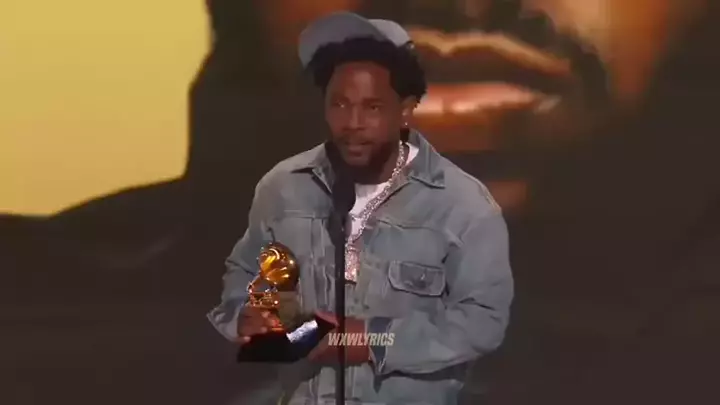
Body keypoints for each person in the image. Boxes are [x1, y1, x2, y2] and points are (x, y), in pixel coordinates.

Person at [207, 12, 514, 405]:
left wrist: (372, 339)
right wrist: (246, 315)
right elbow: (245, 277)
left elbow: (483, 323)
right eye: (339, 104)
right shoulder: (282, 188)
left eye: (372, 107)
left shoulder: (463, 205)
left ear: (405, 109)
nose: (352, 123)